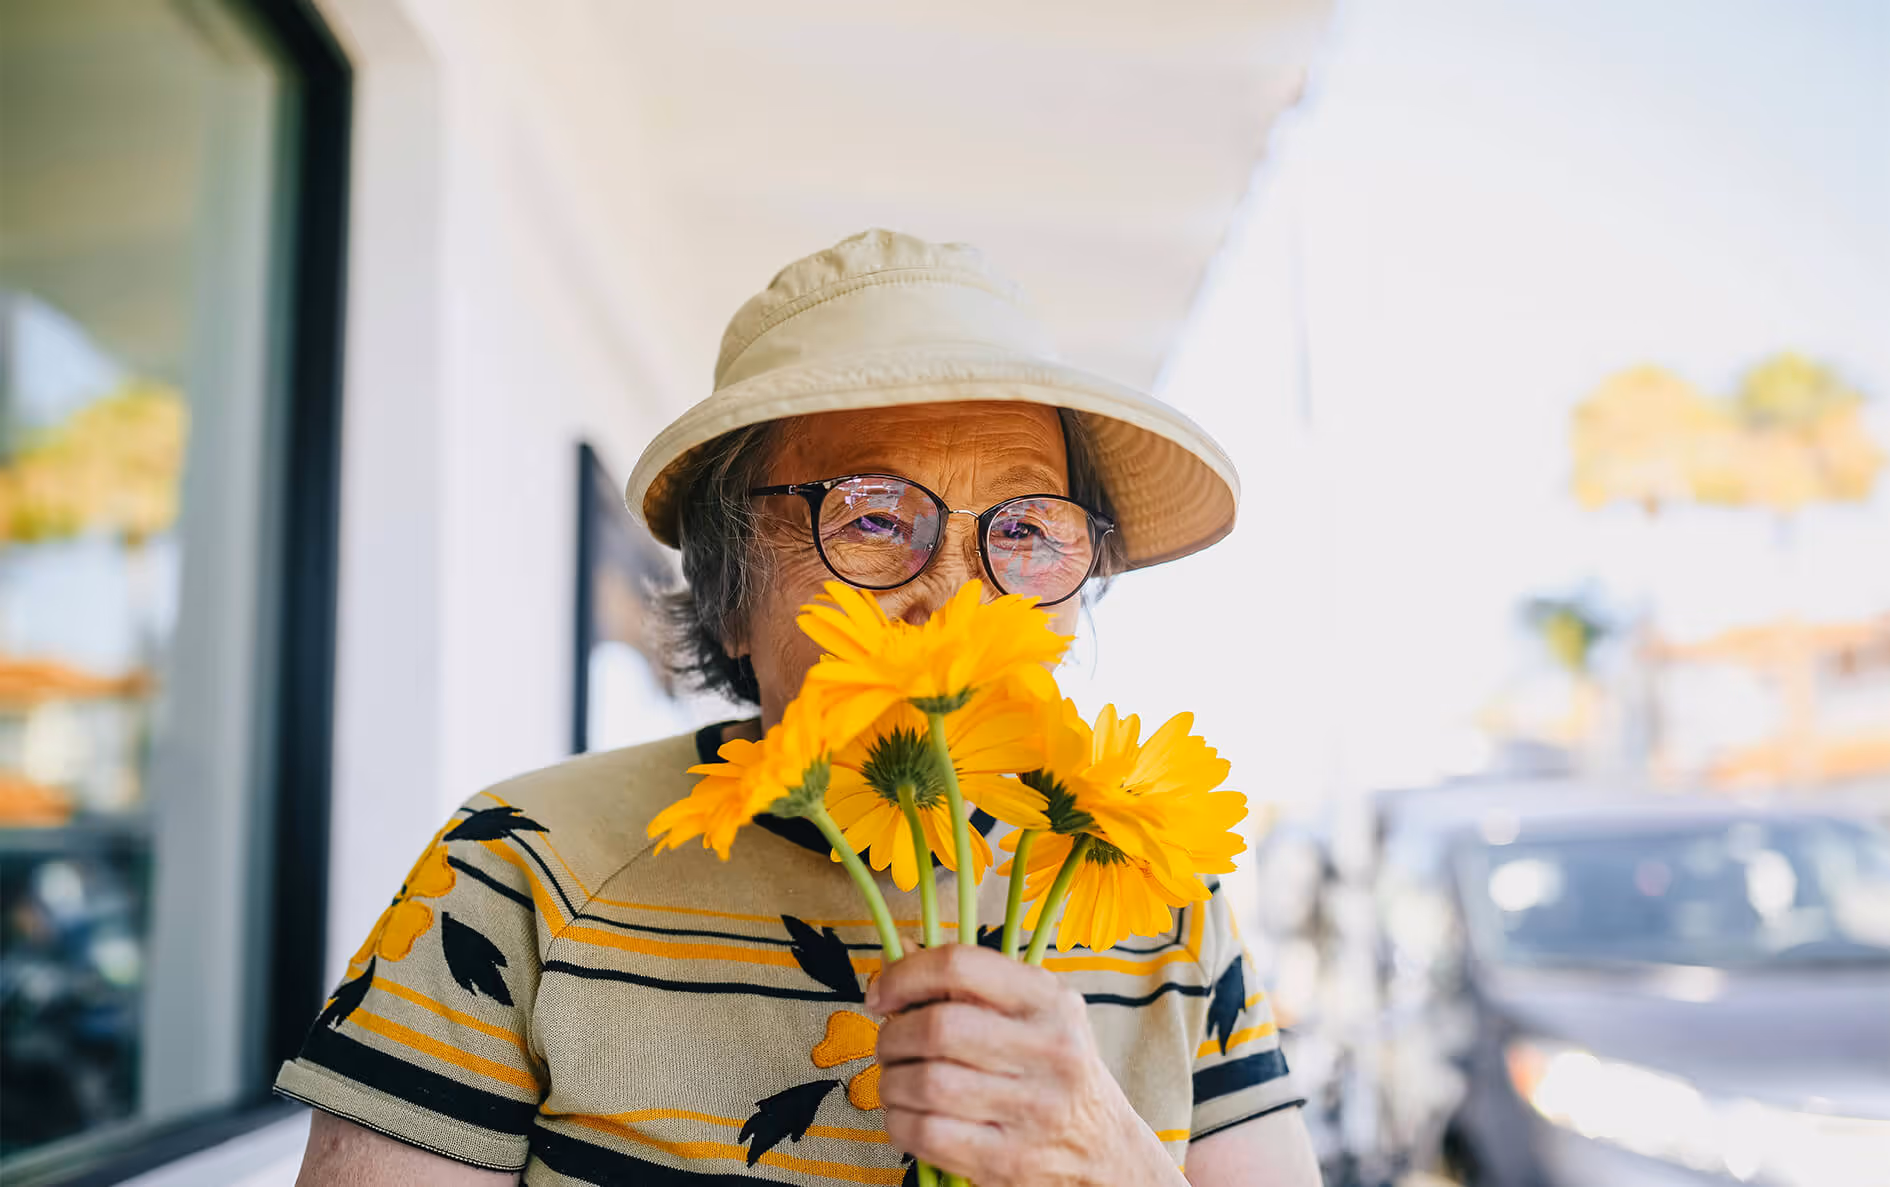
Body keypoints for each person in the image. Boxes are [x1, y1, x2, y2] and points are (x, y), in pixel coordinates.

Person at [285, 231, 1322, 1186]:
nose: (955, 594)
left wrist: (1112, 1163)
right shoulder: (523, 866)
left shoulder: (1164, 900)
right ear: (732, 596)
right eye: (873, 515)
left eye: (1027, 530)